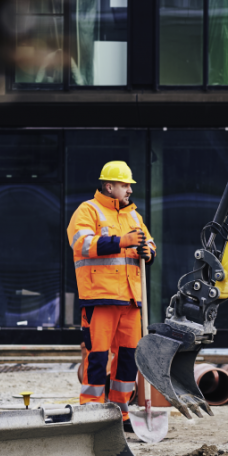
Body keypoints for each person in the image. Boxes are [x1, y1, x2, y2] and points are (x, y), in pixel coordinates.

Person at [66, 160, 156, 429]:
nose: (129, 190)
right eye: (124, 185)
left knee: (129, 359)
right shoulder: (87, 210)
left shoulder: (133, 215)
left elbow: (149, 243)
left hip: (131, 299)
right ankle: (92, 414)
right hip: (100, 297)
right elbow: (81, 243)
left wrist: (148, 252)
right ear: (109, 186)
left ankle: (121, 412)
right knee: (97, 357)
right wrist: (121, 242)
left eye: (129, 185)